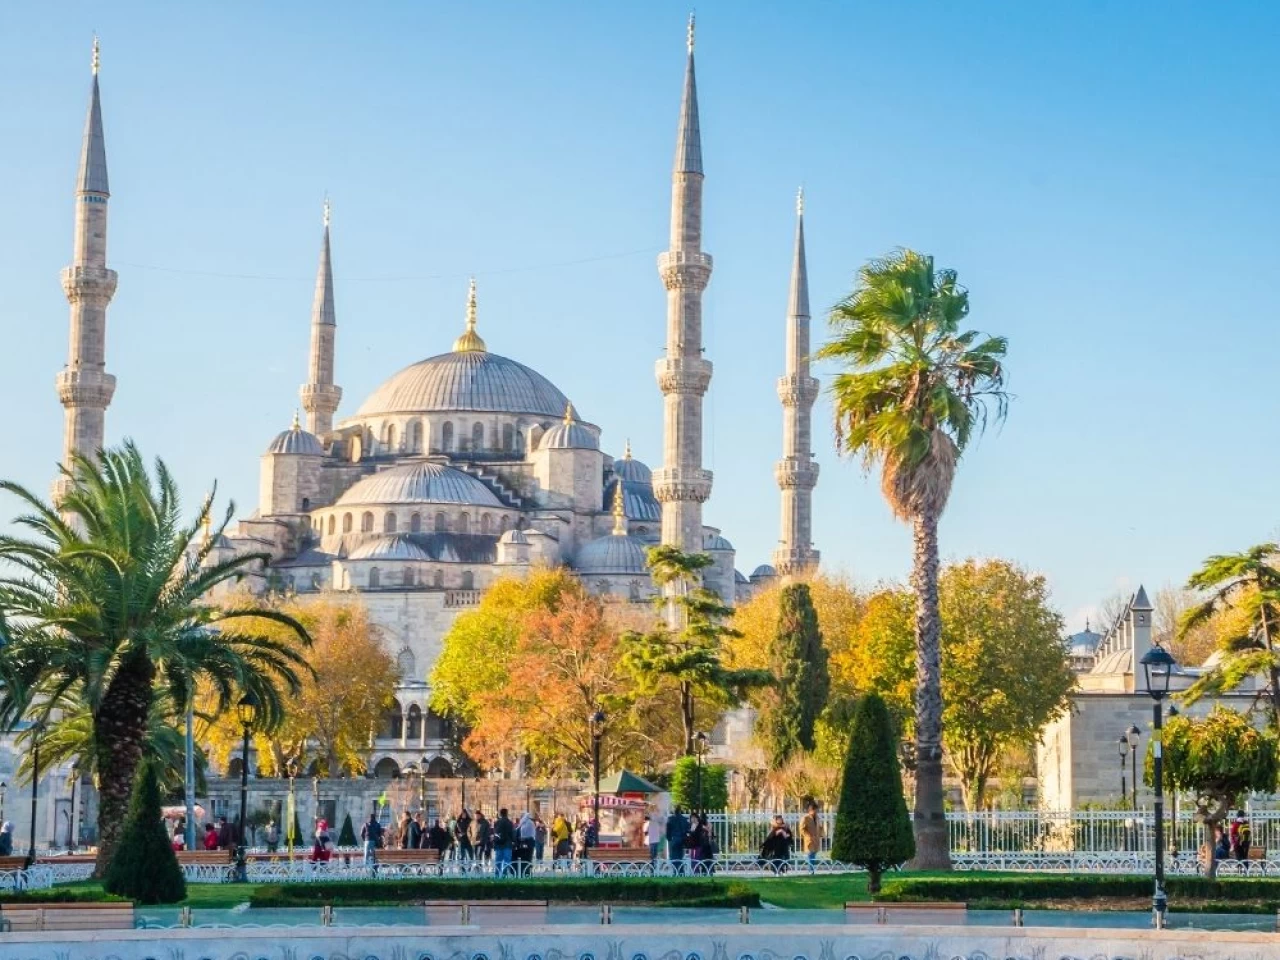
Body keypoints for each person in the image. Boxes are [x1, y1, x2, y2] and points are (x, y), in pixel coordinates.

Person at [799, 800, 823, 873]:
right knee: (810, 855)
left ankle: (811, 870)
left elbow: (820, 827)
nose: (816, 811)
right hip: (809, 840)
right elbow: (801, 829)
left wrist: (821, 834)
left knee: (813, 855)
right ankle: (810, 870)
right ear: (810, 810)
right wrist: (808, 836)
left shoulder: (818, 818)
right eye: (814, 810)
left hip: (816, 840)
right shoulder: (805, 818)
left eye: (816, 810)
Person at [666, 805, 689, 874]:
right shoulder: (684, 819)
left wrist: (669, 838)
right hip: (682, 839)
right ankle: (681, 871)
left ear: (674, 810)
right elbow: (687, 829)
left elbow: (668, 830)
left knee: (673, 856)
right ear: (680, 810)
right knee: (680, 856)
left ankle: (675, 871)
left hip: (674, 839)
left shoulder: (670, 819)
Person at [492, 808, 515, 876]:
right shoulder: (509, 822)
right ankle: (504, 874)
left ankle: (497, 874)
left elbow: (495, 833)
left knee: (498, 860)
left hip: (498, 844)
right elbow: (512, 833)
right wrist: (513, 841)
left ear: (500, 814)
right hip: (507, 844)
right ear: (507, 813)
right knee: (506, 861)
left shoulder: (496, 822)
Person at [515, 810, 536, 876]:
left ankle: (525, 872)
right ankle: (527, 872)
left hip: (525, 844)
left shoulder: (525, 824)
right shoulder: (529, 823)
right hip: (529, 845)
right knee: (528, 859)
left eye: (521, 816)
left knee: (525, 859)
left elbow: (521, 834)